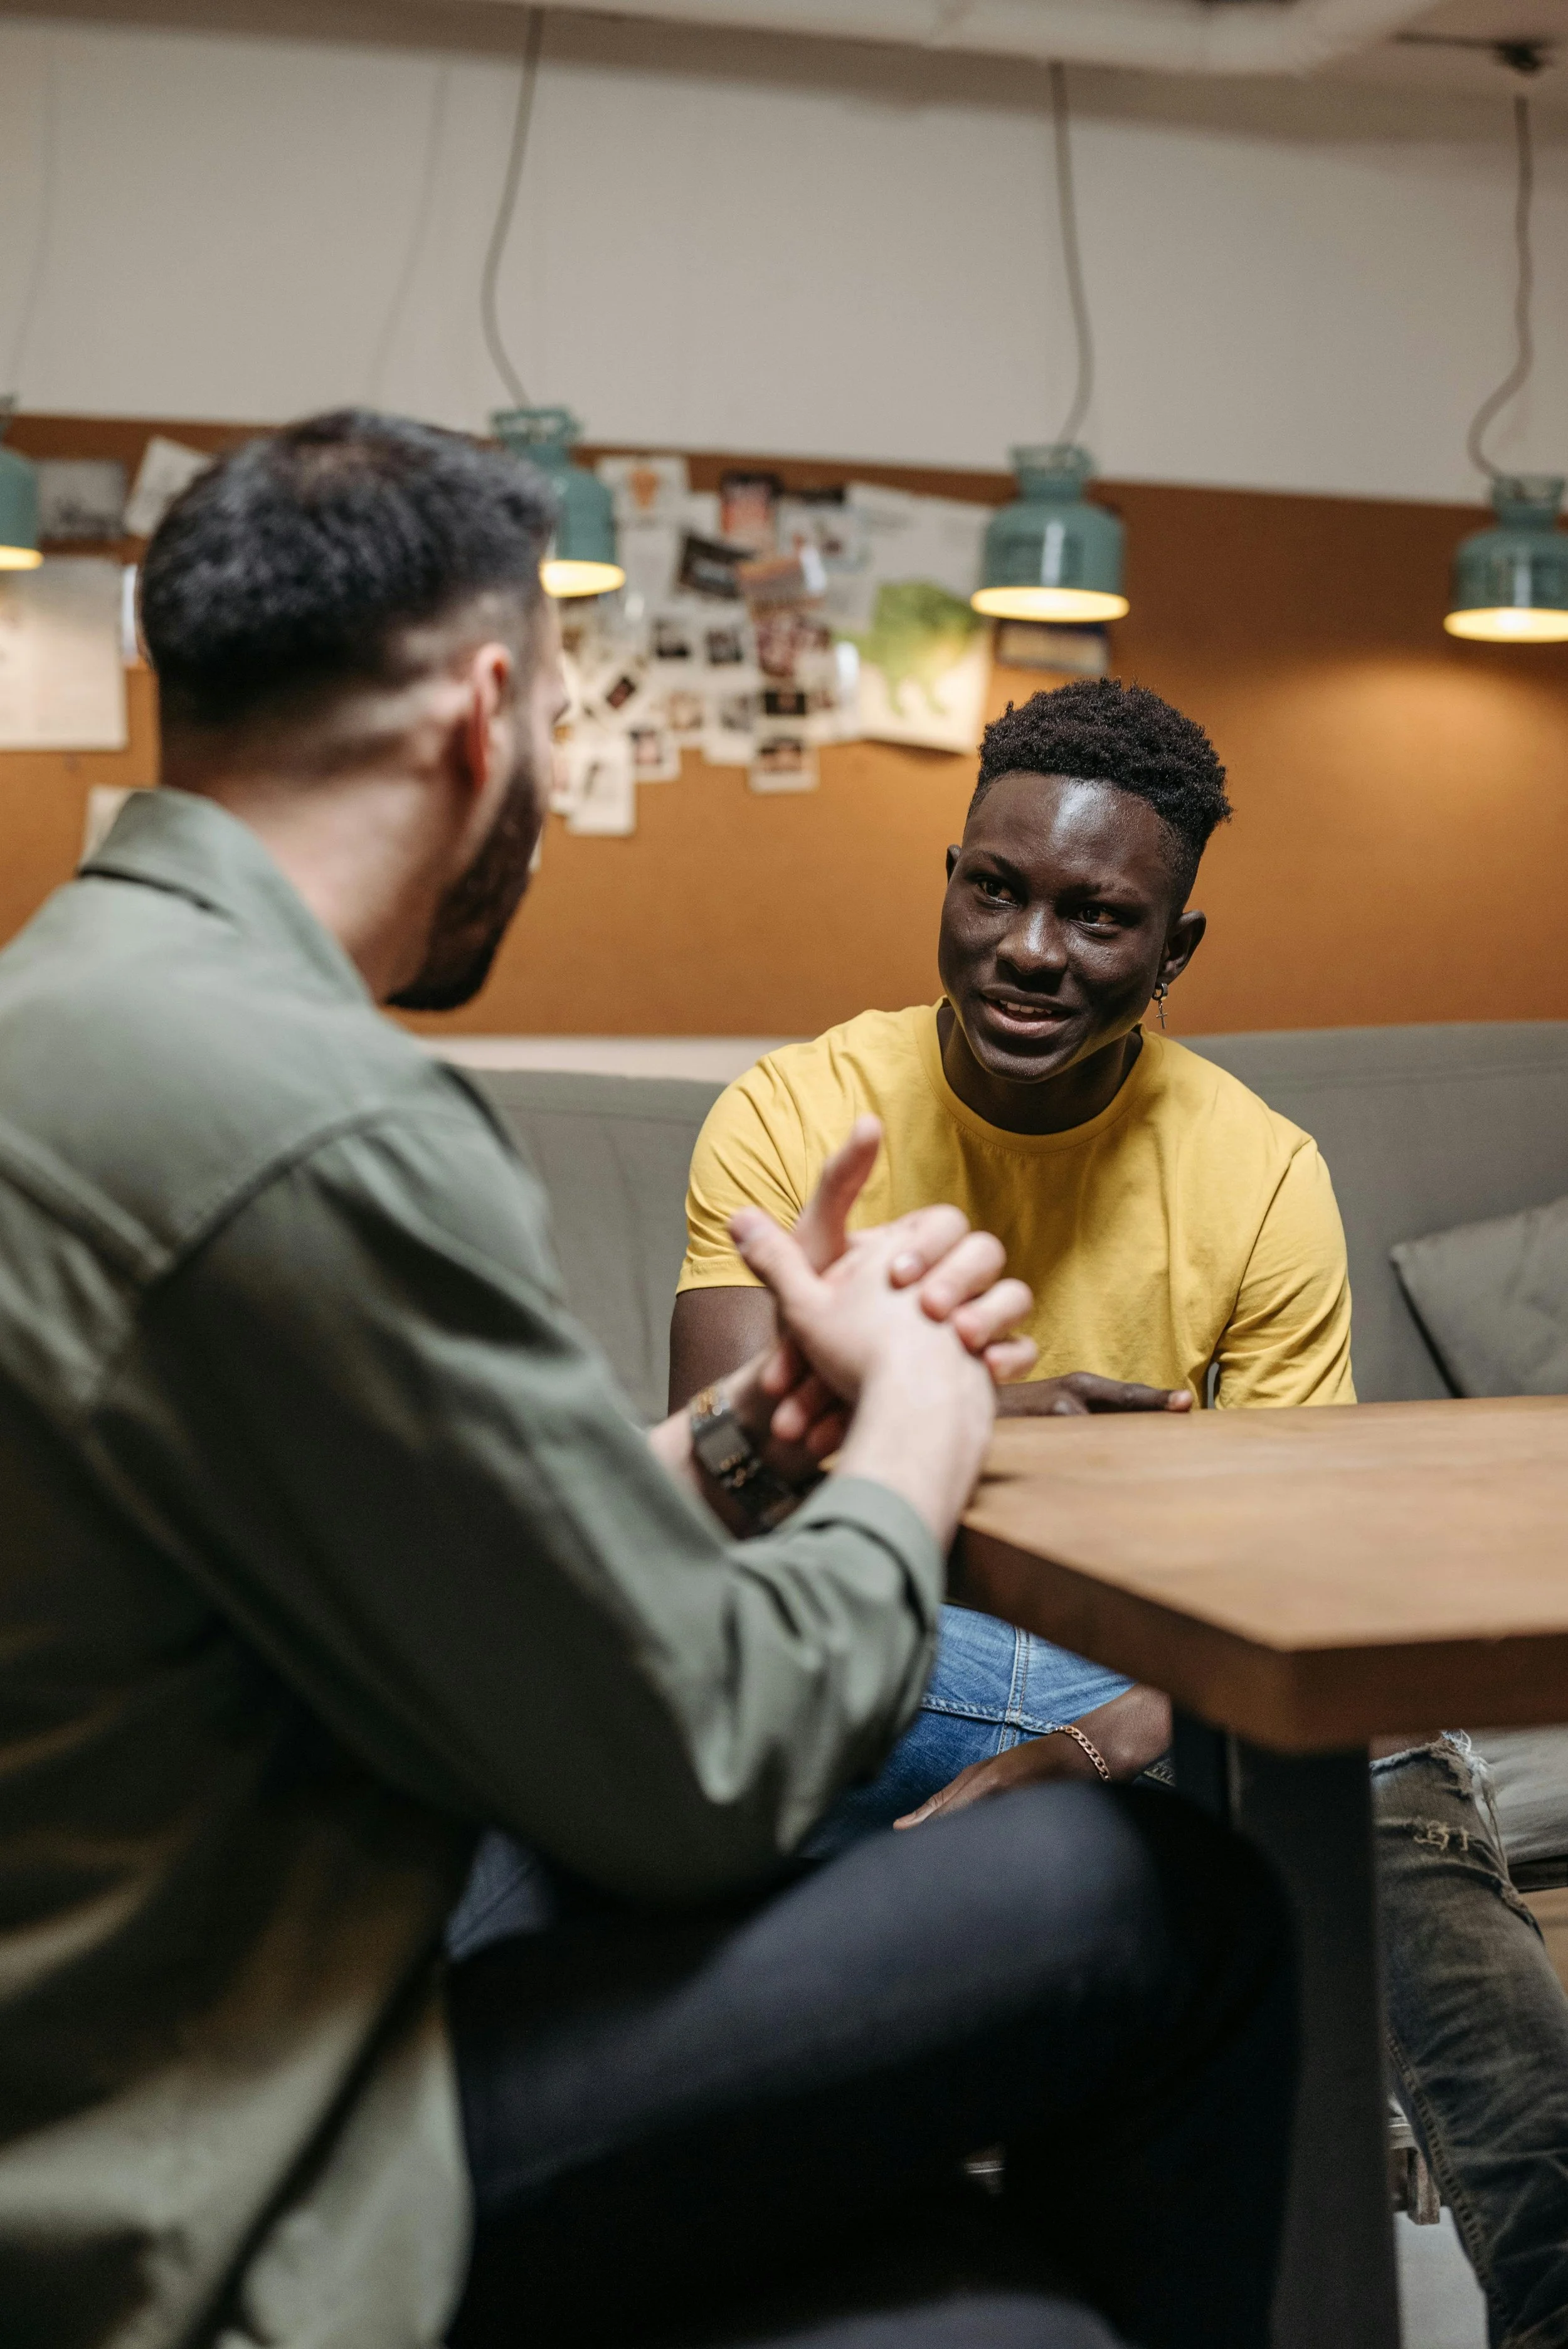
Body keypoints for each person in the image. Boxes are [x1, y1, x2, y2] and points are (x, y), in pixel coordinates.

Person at [0, 412, 1297, 2349]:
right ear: (489, 709)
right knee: (1166, 1909)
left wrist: (752, 1438)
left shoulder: (73, 1014)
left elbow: (444, 1570)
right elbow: (692, 1771)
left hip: (144, 2034)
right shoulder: (327, 1125)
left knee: (994, 2329)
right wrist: (920, 1434)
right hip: (213, 2160)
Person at [670, 680, 1352, 1834]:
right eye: (994, 891)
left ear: (1174, 950)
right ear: (951, 881)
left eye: (1097, 916)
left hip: (1146, 1666)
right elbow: (715, 1501)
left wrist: (1100, 1747)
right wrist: (974, 1425)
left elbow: (1309, 1562)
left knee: (1373, 1736)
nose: (1030, 952)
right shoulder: (793, 1112)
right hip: (882, 1631)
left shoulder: (1267, 1172)